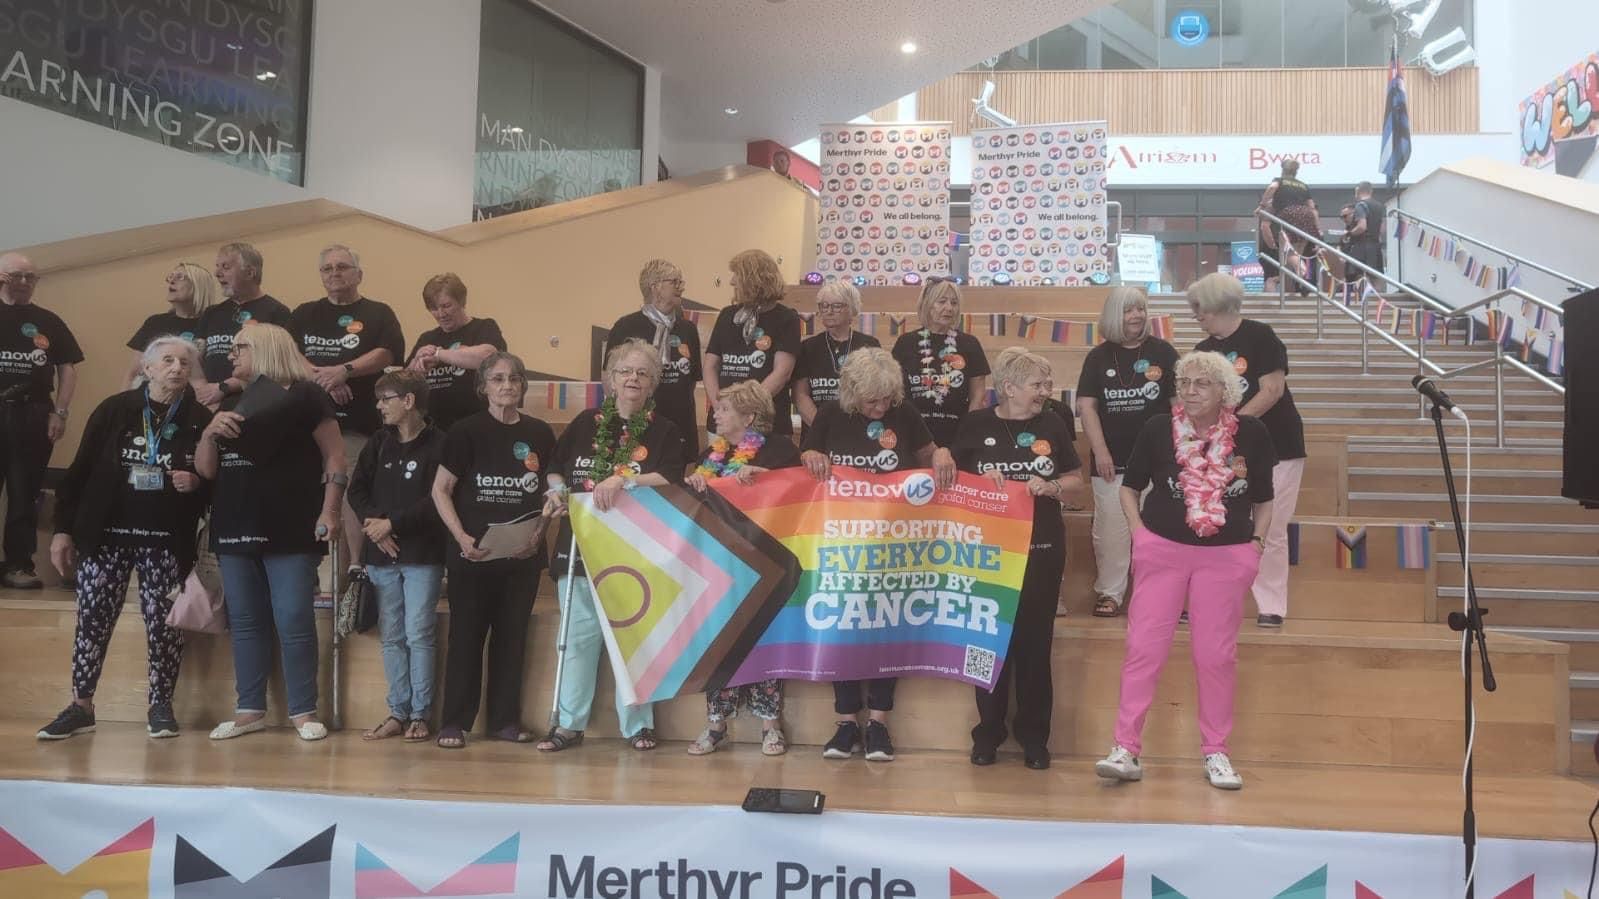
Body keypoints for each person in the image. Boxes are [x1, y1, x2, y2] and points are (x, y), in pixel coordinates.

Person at [1095, 351, 1276, 791]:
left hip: (1227, 555)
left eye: (1202, 384)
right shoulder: (1159, 428)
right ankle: (1125, 749)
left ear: (1224, 392)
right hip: (1163, 550)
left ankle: (1216, 751)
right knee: (1143, 649)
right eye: (1185, 383)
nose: (1190, 391)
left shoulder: (1251, 433)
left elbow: (1265, 498)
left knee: (1214, 657)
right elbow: (1130, 486)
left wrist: (1255, 545)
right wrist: (1141, 535)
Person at [39, 336, 212, 740]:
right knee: (92, 620)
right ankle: (81, 706)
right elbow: (78, 473)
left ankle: (160, 705)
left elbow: (215, 482)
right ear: (147, 369)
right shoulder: (114, 410)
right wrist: (63, 529)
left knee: (163, 624)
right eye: (167, 361)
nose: (176, 368)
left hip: (166, 539)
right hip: (105, 536)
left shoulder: (199, 418)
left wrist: (198, 482)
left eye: (184, 363)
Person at [801, 347, 955, 762]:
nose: (880, 407)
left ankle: (879, 724)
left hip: (894, 545)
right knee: (843, 626)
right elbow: (806, 460)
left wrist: (941, 453)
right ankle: (847, 721)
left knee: (889, 626)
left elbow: (929, 458)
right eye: (871, 401)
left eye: (886, 399)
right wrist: (810, 455)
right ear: (851, 394)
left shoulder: (904, 415)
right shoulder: (831, 415)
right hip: (842, 544)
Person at [195, 323, 344, 741]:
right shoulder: (231, 399)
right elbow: (206, 469)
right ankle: (249, 709)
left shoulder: (306, 394)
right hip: (235, 521)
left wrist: (330, 511)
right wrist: (209, 432)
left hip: (292, 522)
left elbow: (335, 457)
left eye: (238, 347)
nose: (230, 356)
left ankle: (302, 710)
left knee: (294, 616)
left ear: (263, 348)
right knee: (244, 620)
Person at [538, 338, 686, 753]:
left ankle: (638, 724)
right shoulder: (585, 423)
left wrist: (626, 478)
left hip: (635, 556)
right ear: (610, 380)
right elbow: (555, 470)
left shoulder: (665, 431)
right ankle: (568, 725)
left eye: (642, 373)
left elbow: (672, 478)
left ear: (653, 383)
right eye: (625, 371)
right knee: (576, 643)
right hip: (579, 552)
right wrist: (555, 492)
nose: (633, 379)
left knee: (632, 644)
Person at [953, 348, 1082, 770]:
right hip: (984, 554)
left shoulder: (1053, 424)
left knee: (1034, 645)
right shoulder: (974, 425)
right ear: (1008, 388)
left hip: (1041, 549)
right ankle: (987, 732)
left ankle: (1034, 737)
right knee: (984, 644)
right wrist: (976, 480)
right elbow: (951, 484)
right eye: (1037, 385)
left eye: (1047, 384)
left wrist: (1052, 487)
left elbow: (1076, 480)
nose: (1045, 392)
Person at [430, 352, 555, 749]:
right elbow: (440, 490)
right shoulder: (464, 431)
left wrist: (539, 535)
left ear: (522, 386)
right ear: (483, 386)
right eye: (498, 379)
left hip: (522, 556)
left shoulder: (539, 432)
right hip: (473, 554)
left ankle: (505, 720)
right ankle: (455, 722)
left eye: (514, 379)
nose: (507, 386)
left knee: (512, 638)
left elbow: (550, 493)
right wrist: (462, 538)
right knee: (466, 637)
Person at [683, 380, 801, 757]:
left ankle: (771, 727)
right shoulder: (711, 452)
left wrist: (765, 478)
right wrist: (697, 481)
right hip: (721, 563)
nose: (715, 413)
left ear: (749, 415)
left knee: (763, 641)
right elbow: (699, 502)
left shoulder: (781, 448)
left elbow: (798, 492)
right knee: (720, 643)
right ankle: (716, 725)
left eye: (724, 408)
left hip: (767, 560)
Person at [1190, 273, 1306, 628]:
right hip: (1226, 452)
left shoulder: (1261, 336)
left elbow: (1271, 391)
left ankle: (1271, 605)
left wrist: (1231, 426)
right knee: (1222, 524)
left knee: (1269, 527)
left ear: (1216, 305)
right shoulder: (1202, 351)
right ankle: (1217, 601)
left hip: (1278, 447)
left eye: (1200, 309)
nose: (1197, 316)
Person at [290, 245, 405, 584]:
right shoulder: (303, 313)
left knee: (352, 491)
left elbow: (388, 353)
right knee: (310, 494)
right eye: (327, 269)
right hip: (308, 423)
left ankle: (356, 568)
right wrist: (325, 376)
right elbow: (287, 353)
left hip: (358, 425)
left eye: (342, 267)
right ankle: (310, 569)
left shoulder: (378, 312)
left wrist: (346, 370)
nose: (334, 273)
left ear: (359, 274)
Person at [348, 370, 447, 743]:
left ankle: (420, 715)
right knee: (392, 636)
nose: (378, 406)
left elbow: (438, 499)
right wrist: (375, 526)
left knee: (419, 633)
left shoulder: (441, 443)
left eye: (385, 398)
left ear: (408, 401)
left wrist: (392, 525)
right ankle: (396, 712)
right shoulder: (378, 442)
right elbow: (356, 492)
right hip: (380, 554)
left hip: (423, 553)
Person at [1075, 288, 1178, 618]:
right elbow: (1087, 408)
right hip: (1111, 464)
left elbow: (1179, 407)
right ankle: (1110, 593)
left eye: (1140, 309)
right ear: (1113, 316)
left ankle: (1161, 597)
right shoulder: (1098, 358)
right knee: (1111, 531)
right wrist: (1101, 451)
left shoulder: (1164, 353)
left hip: (1159, 463)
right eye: (1128, 310)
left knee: (1160, 533)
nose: (1136, 316)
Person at [0, 252, 83, 589]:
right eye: (16, 275)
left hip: (33, 413)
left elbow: (67, 369)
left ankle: (19, 565)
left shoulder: (48, 320)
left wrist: (60, 412)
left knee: (24, 493)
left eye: (31, 277)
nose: (24, 282)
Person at [605, 260, 702, 458]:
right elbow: (609, 379)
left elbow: (690, 380)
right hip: (637, 426)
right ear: (655, 286)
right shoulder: (626, 326)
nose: (681, 287)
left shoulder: (688, 329)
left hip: (680, 425)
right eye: (675, 282)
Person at [704, 249, 801, 438]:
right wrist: (722, 409)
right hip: (722, 420)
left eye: (737, 275)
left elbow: (782, 373)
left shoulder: (786, 318)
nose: (732, 281)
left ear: (753, 279)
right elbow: (710, 366)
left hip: (767, 422)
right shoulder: (727, 315)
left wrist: (745, 409)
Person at [890, 277, 990, 448]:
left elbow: (978, 396)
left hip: (957, 434)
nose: (949, 308)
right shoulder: (905, 343)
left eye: (954, 303)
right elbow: (894, 392)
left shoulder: (970, 344)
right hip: (912, 433)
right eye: (942, 302)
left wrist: (967, 430)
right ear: (928, 305)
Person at [407, 273, 506, 432]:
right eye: (433, 308)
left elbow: (489, 357)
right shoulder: (427, 338)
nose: (440, 314)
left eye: (446, 306)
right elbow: (405, 382)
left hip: (478, 428)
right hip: (433, 431)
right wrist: (416, 362)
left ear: (462, 301)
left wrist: (439, 355)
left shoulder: (484, 327)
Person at [196, 242, 292, 407]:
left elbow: (277, 365)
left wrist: (224, 387)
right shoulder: (211, 312)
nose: (217, 273)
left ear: (249, 272)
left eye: (226, 267)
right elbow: (194, 356)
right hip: (206, 403)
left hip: (252, 403)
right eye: (217, 267)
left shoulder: (277, 311)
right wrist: (202, 390)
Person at [793, 281, 879, 433]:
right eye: (824, 306)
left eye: (837, 306)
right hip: (817, 430)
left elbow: (876, 395)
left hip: (858, 430)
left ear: (852, 309)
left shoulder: (869, 344)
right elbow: (800, 395)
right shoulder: (807, 347)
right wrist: (823, 427)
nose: (829, 311)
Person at [124, 262, 219, 387]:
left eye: (180, 277)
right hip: (151, 397)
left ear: (199, 286)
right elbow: (133, 373)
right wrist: (124, 404)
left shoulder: (215, 323)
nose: (171, 281)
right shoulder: (155, 322)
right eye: (171, 276)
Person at [1258, 160, 1321, 294]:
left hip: (1289, 215)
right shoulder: (1303, 185)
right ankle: (1302, 276)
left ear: (1282, 169)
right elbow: (1312, 206)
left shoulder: (1279, 180)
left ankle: (1304, 275)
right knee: (1297, 252)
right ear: (1296, 171)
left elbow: (1271, 188)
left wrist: (1262, 205)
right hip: (1306, 215)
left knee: (1289, 251)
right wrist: (1317, 228)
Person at [1349, 181, 1387, 289]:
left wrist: (1350, 233)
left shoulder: (1360, 205)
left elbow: (1362, 226)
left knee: (1359, 275)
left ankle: (1362, 302)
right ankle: (1376, 302)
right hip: (1375, 244)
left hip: (1362, 244)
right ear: (1371, 191)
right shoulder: (1379, 206)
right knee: (1375, 276)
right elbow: (1381, 229)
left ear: (1357, 191)